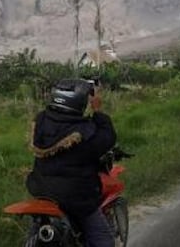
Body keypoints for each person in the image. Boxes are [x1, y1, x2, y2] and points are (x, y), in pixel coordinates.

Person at [26, 79, 117, 247]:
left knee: (38, 231)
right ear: (79, 104)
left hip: (41, 190)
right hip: (75, 198)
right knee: (105, 241)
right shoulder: (85, 132)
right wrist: (98, 111)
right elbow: (108, 138)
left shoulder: (41, 120)